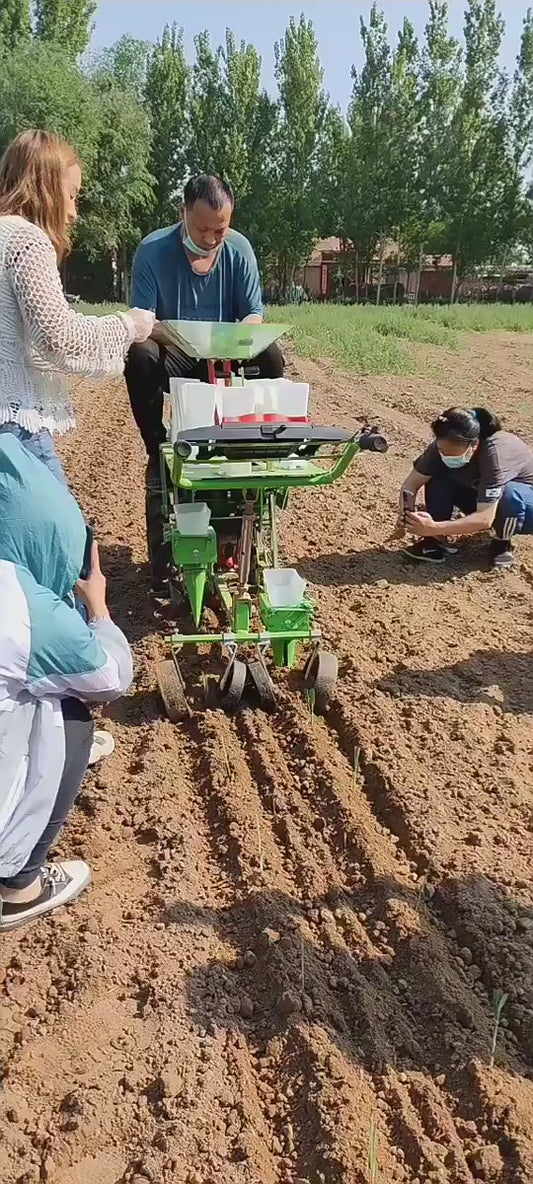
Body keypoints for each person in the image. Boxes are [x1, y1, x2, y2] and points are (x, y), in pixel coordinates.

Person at [125, 173, 285, 593]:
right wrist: (184, 338)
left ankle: (253, 437)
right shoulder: (153, 250)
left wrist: (232, 342)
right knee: (137, 353)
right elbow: (143, 321)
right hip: (175, 348)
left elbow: (252, 314)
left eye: (222, 227)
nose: (214, 237)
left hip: (225, 351)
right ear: (183, 215)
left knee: (270, 355)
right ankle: (156, 443)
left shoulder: (239, 249)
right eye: (204, 229)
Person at [0, 435, 133, 931]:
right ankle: (18, 885)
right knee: (72, 715)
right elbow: (110, 677)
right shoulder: (18, 602)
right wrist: (97, 606)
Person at [0, 129, 154, 484]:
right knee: (71, 539)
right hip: (15, 424)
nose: (73, 212)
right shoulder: (26, 241)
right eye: (72, 195)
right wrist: (128, 326)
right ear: (47, 189)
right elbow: (58, 336)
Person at [397, 406, 533, 570]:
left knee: (509, 494)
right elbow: (411, 485)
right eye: (442, 450)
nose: (446, 455)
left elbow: (485, 518)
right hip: (483, 495)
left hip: (523, 507)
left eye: (453, 452)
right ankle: (435, 540)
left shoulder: (495, 453)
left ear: (474, 445)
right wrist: (406, 514)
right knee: (439, 473)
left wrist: (431, 526)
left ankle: (502, 542)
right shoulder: (442, 445)